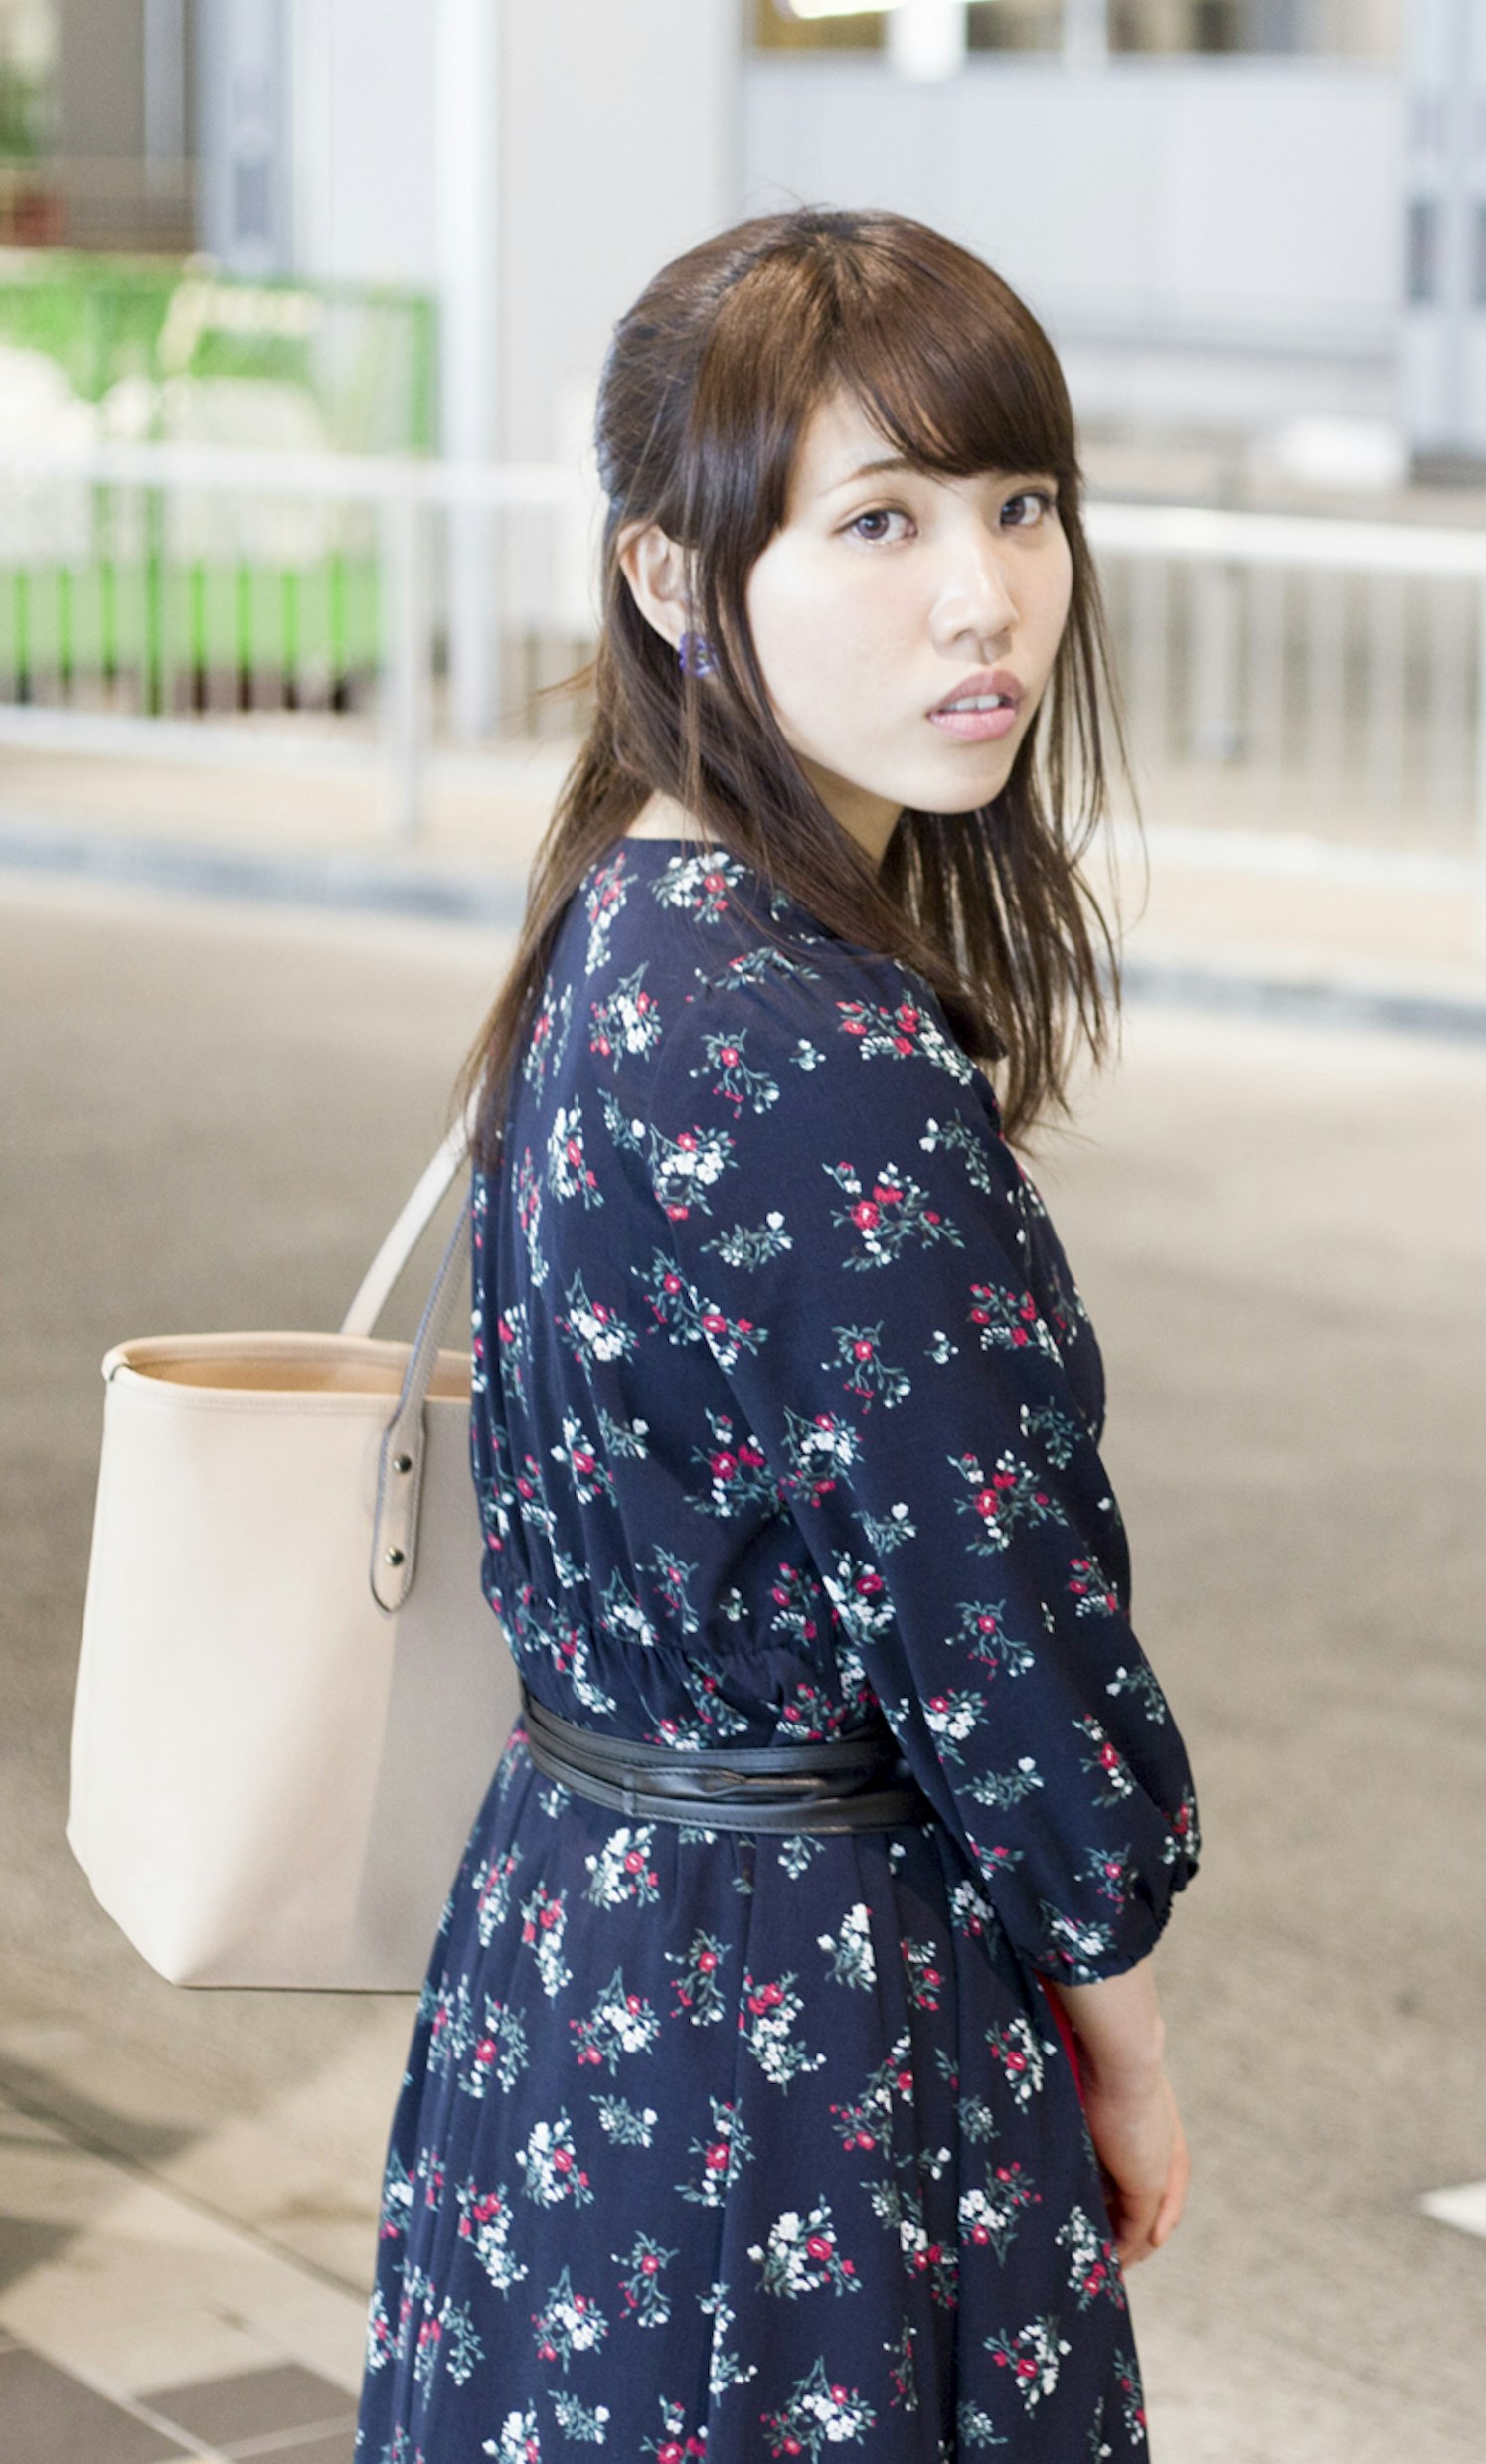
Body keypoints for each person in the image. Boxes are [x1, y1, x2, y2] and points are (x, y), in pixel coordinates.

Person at [354, 209, 1200, 2464]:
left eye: (1020, 504)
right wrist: (1117, 2016)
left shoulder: (625, 919)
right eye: (881, 520)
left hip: (584, 1953)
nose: (983, 596)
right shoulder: (814, 1047)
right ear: (667, 577)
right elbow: (991, 1612)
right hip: (806, 2029)